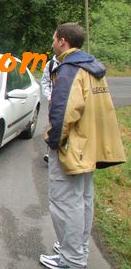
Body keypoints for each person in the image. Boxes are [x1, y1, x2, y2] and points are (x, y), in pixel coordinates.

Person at [39, 23, 126, 269]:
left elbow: (64, 111)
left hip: (72, 147)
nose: (53, 43)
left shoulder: (68, 70)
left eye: (54, 38)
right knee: (82, 200)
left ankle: (71, 259)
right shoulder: (92, 68)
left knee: (65, 203)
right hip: (89, 145)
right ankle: (78, 249)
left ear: (63, 41)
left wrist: (53, 142)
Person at [40, 54, 59, 164]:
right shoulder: (51, 64)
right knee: (53, 125)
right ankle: (50, 152)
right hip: (54, 102)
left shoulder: (72, 63)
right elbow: (45, 81)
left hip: (68, 102)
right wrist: (50, 97)